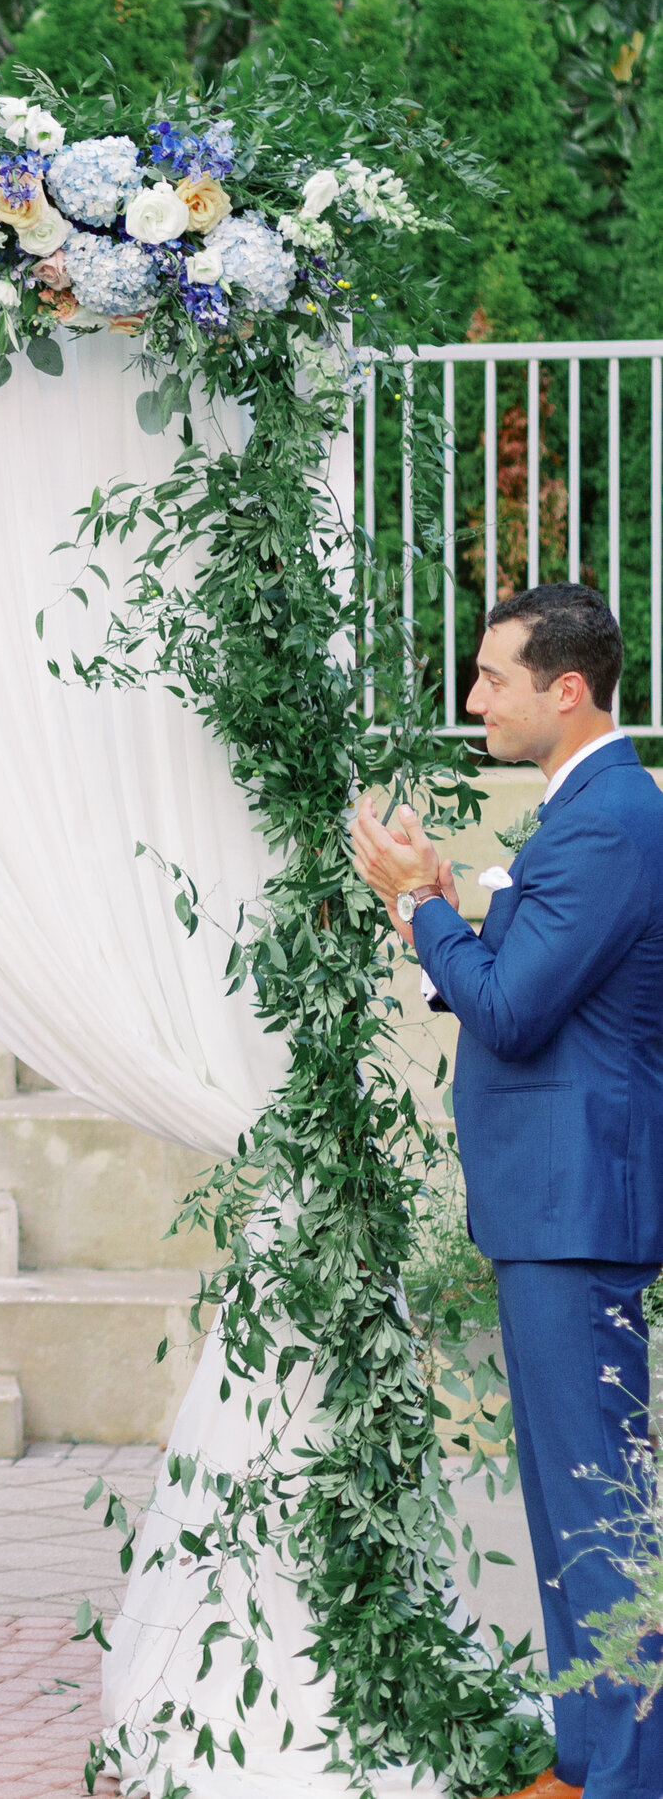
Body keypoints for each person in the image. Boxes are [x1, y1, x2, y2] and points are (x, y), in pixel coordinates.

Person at [350, 583, 663, 1799]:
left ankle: (628, 1776)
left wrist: (418, 903)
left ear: (565, 688)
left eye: (493, 677)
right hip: (555, 1204)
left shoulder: (606, 819)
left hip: (577, 1206)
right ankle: (588, 1757)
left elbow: (515, 1007)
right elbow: (535, 972)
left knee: (599, 1515)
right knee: (567, 1506)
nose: (473, 698)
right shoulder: (589, 812)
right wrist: (453, 899)